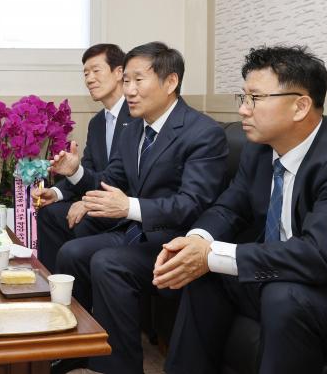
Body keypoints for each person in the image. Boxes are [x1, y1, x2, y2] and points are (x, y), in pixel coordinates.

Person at [155, 45, 327, 374]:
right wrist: (197, 243)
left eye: (255, 98)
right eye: (243, 98)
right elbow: (229, 208)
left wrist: (212, 255)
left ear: (300, 106)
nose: (243, 110)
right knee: (202, 273)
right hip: (281, 275)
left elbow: (319, 255)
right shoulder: (261, 149)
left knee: (282, 295)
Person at [40, 41, 228, 374]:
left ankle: (120, 366)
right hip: (138, 232)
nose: (129, 90)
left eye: (138, 80)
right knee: (71, 254)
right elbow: (109, 180)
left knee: (108, 262)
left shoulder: (203, 133)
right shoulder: (134, 129)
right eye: (126, 80)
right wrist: (76, 172)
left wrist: (129, 207)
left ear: (170, 82)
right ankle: (75, 347)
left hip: (176, 240)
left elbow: (193, 203)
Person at [36, 43, 134, 271]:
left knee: (82, 221)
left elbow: (121, 176)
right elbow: (88, 169)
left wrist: (87, 203)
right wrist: (56, 192)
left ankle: (81, 289)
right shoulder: (97, 122)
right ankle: (53, 284)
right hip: (100, 196)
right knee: (49, 213)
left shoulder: (137, 115)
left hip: (126, 204)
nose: (89, 79)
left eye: (96, 70)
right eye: (86, 73)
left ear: (119, 72)